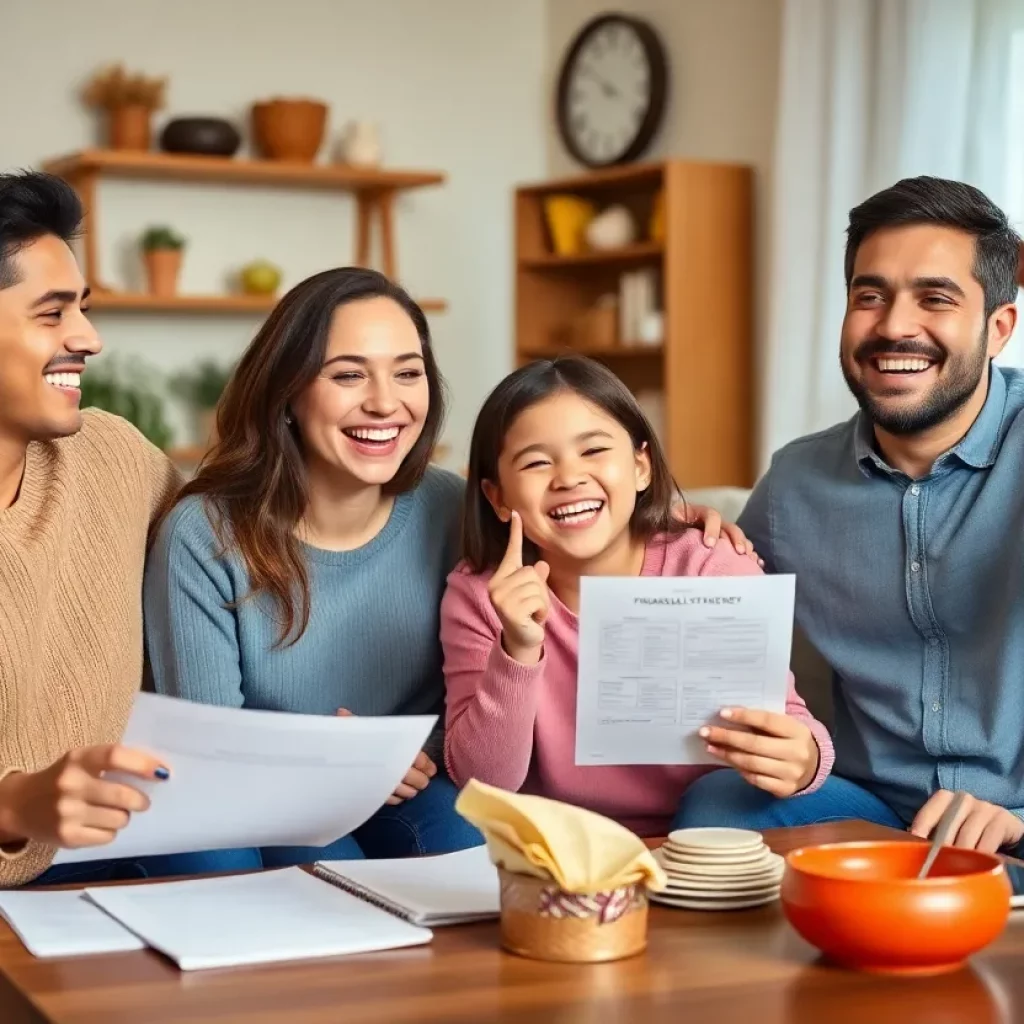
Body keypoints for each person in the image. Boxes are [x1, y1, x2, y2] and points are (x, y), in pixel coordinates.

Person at [673, 175, 1024, 855]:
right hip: (873, 812)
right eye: (870, 296)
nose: (894, 325)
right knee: (716, 805)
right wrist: (678, 545)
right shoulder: (796, 484)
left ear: (998, 328)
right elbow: (713, 626)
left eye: (935, 298)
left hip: (1015, 823)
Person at [439, 355, 833, 837]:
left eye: (594, 451)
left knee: (716, 802)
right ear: (497, 498)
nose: (568, 477)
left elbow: (788, 721)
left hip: (713, 829)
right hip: (567, 845)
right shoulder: (480, 595)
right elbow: (484, 780)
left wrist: (806, 758)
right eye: (537, 462)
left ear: (641, 466)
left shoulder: (710, 564)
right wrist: (518, 650)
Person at [0, 170, 259, 886]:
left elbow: (233, 554)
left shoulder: (112, 456)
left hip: (129, 831)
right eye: (52, 314)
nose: (89, 337)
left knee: (250, 865)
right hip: (19, 856)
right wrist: (16, 802)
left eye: (82, 309)